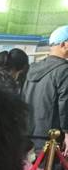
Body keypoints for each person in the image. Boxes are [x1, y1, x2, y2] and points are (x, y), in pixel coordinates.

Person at [24, 25, 68, 154]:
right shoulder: (64, 71)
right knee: (51, 168)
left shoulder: (32, 67)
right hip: (52, 138)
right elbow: (65, 104)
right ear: (64, 45)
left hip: (28, 134)